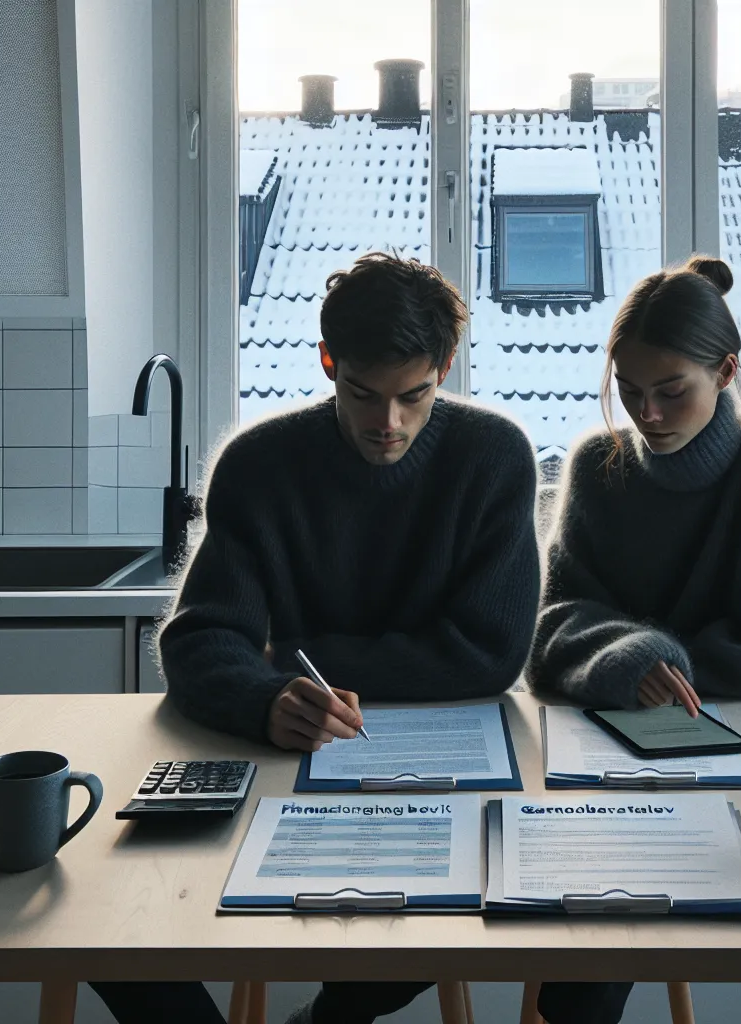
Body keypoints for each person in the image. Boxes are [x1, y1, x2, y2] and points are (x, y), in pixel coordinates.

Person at [90, 253, 631, 1024]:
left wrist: (295, 654)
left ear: (445, 367)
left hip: (455, 771)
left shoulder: (492, 456)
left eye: (414, 395)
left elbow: (489, 652)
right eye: (362, 394)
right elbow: (201, 636)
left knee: (524, 925)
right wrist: (265, 697)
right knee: (120, 920)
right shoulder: (259, 465)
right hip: (299, 765)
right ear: (327, 362)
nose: (388, 424)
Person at [528, 255, 741, 711]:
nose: (647, 414)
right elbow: (549, 629)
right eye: (629, 389)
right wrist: (632, 663)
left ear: (725, 373)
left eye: (672, 392)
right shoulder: (596, 465)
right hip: (622, 728)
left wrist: (638, 666)